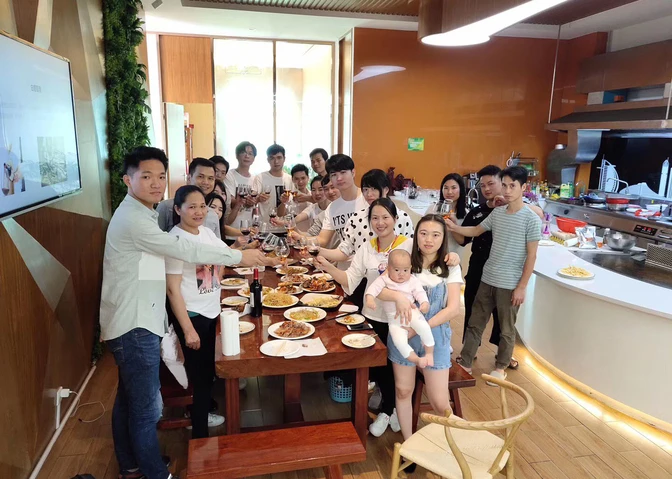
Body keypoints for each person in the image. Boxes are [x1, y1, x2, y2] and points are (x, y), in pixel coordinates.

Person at [101, 147, 272, 479]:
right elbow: (181, 249)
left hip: (137, 317)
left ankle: (132, 465)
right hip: (134, 322)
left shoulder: (143, 212)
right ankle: (155, 473)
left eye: (161, 176)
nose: (155, 183)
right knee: (145, 408)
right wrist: (239, 259)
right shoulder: (136, 219)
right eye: (146, 176)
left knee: (128, 400)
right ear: (127, 179)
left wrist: (238, 254)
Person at [315, 198, 412, 437]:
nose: (380, 223)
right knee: (378, 366)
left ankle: (389, 410)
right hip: (372, 316)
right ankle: (390, 410)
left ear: (395, 220)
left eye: (385, 217)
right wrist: (327, 266)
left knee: (393, 368)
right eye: (375, 218)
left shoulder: (408, 246)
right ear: (369, 222)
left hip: (399, 319)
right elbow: (350, 281)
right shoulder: (367, 247)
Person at [445, 166, 541, 384]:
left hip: (510, 283)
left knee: (507, 329)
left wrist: (522, 286)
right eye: (505, 185)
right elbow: (476, 230)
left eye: (512, 186)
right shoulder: (497, 213)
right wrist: (453, 227)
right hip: (487, 278)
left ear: (523, 188)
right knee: (475, 322)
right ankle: (466, 361)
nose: (507, 190)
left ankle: (501, 366)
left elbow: (532, 256)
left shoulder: (530, 219)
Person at [376, 214, 462, 456]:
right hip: (404, 339)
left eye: (436, 234)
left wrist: (419, 327)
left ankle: (454, 447)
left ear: (444, 238)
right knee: (403, 391)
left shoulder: (450, 266)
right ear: (416, 235)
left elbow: (453, 308)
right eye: (423, 233)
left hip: (436, 339)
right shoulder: (404, 261)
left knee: (439, 402)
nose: (428, 239)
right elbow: (380, 289)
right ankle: (410, 445)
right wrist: (397, 296)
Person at [166, 186, 229, 438]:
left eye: (202, 205)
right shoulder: (175, 240)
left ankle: (200, 417)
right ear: (178, 209)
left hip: (210, 312)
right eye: (191, 206)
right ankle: (199, 436)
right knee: (200, 380)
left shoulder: (205, 233)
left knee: (207, 374)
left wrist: (217, 280)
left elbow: (223, 255)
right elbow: (172, 289)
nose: (199, 211)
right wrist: (188, 330)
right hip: (193, 316)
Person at [317, 169, 416, 264]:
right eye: (365, 189)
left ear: (386, 189)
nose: (369, 194)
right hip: (362, 277)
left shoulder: (402, 218)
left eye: (374, 189)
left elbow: (411, 252)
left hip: (395, 277)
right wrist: (317, 251)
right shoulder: (356, 219)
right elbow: (344, 251)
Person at [365, 249, 434, 368]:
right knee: (399, 342)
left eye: (405, 270)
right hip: (394, 320)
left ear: (410, 268)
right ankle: (416, 360)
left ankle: (429, 354)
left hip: (411, 313)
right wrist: (370, 299)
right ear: (388, 268)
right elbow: (373, 289)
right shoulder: (384, 279)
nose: (401, 274)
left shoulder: (412, 280)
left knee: (424, 328)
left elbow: (420, 293)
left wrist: (424, 303)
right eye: (397, 270)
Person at [314, 154, 368, 254]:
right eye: (334, 175)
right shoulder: (332, 208)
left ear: (353, 172)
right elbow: (322, 239)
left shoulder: (368, 199)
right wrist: (300, 238)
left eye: (343, 172)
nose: (339, 178)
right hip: (343, 266)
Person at [156, 158, 221, 237]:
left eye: (210, 178)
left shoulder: (213, 214)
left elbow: (218, 246)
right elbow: (156, 239)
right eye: (200, 177)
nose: (206, 182)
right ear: (189, 178)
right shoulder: (166, 207)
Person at [252, 144, 294, 234]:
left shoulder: (290, 179)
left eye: (279, 157)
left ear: (284, 159)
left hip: (285, 228)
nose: (276, 161)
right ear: (268, 160)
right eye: (272, 158)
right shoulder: (260, 177)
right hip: (265, 229)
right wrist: (259, 198)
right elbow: (252, 200)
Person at [426, 173, 467, 255]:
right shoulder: (433, 209)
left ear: (461, 190)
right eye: (446, 188)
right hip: (433, 255)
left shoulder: (466, 214)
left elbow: (462, 242)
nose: (449, 192)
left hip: (453, 257)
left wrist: (454, 225)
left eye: (454, 188)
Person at [224, 141, 259, 237]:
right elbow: (229, 200)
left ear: (254, 158)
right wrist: (244, 202)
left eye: (250, 154)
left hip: (249, 230)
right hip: (231, 229)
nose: (247, 156)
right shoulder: (229, 175)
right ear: (237, 155)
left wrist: (254, 202)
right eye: (244, 152)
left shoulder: (255, 178)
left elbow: (255, 205)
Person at [279, 163, 312, 230]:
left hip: (312, 235)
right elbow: (280, 214)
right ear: (292, 179)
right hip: (294, 234)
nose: (300, 181)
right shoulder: (289, 196)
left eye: (303, 178)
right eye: (296, 179)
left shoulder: (312, 195)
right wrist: (283, 202)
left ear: (308, 178)